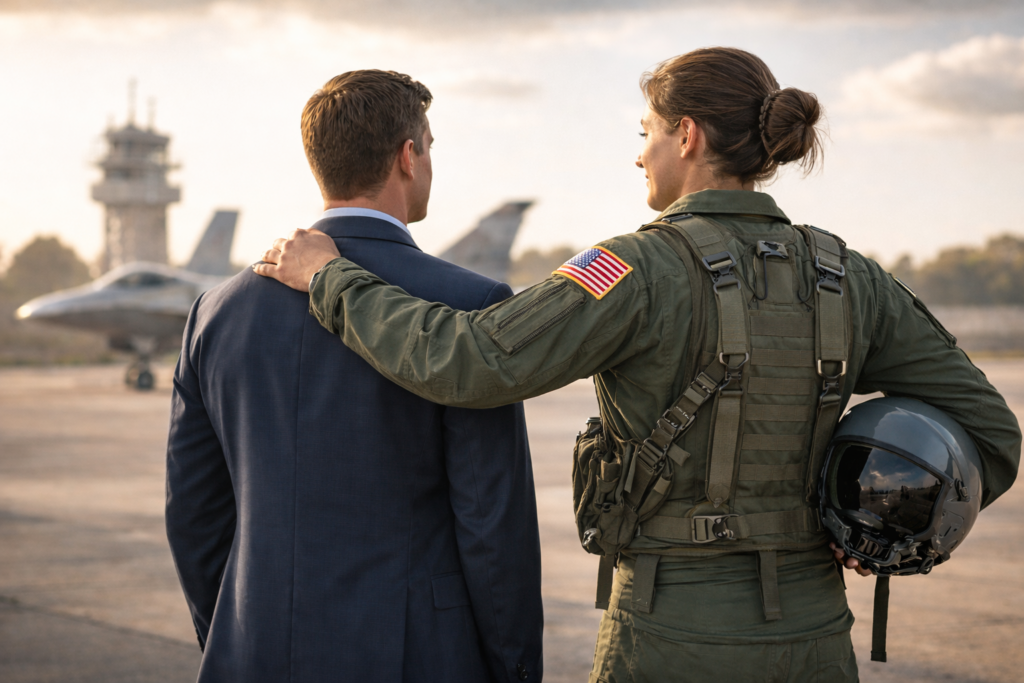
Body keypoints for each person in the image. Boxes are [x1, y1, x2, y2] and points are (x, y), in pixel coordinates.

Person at [254, 49, 1021, 682]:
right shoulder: (849, 275)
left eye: (647, 130)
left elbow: (472, 360)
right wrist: (875, 528)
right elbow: (992, 435)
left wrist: (331, 278)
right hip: (816, 638)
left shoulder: (627, 268)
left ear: (686, 136)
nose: (638, 151)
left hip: (668, 635)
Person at [166, 70, 543, 683]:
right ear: (407, 156)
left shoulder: (214, 312)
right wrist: (514, 667)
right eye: (430, 148)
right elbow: (493, 523)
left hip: (254, 649)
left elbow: (195, 515)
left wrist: (238, 635)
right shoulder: (471, 303)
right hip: (419, 657)